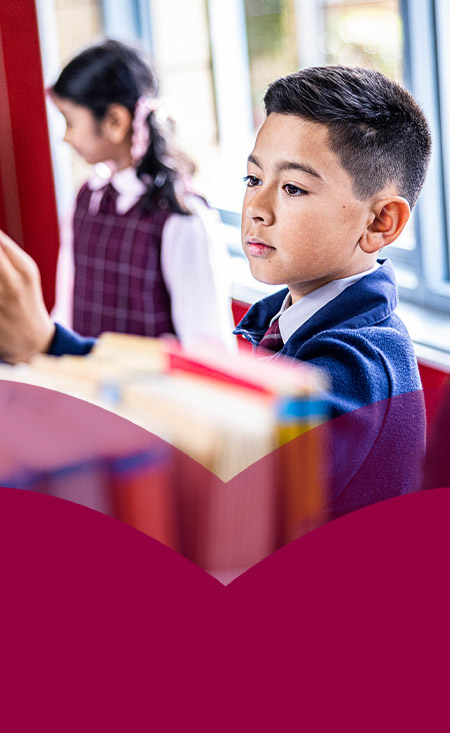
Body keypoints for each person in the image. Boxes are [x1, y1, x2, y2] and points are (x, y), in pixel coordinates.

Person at [0, 65, 431, 517]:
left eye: (293, 188)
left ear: (381, 222)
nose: (257, 209)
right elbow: (186, 392)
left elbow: (214, 473)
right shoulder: (271, 320)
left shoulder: (358, 372)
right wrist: (49, 346)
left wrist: (45, 347)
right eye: (253, 179)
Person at [48, 39, 234, 347]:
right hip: (83, 388)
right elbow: (65, 310)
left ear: (115, 122)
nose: (65, 136)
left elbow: (206, 344)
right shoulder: (86, 199)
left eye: (69, 122)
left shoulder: (182, 216)